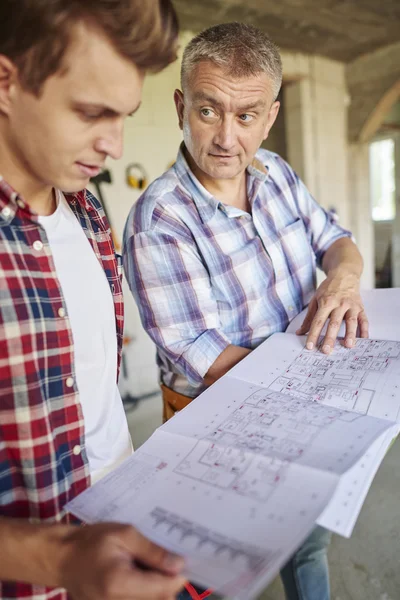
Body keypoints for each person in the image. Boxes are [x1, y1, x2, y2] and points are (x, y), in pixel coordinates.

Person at [123, 22, 369, 600]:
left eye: (247, 116)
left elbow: (338, 242)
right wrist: (322, 390)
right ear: (182, 105)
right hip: (218, 425)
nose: (227, 138)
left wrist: (344, 278)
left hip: (301, 403)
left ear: (271, 116)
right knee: (212, 572)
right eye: (209, 111)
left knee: (307, 543)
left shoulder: (277, 174)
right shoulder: (160, 220)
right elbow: (205, 357)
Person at [0, 1, 186, 599]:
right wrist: (55, 559)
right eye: (90, 113)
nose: (113, 144)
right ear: (6, 82)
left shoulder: (86, 210)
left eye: (125, 115)